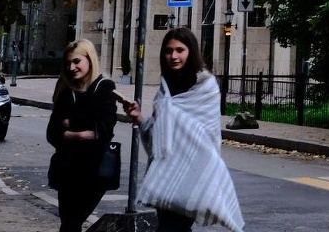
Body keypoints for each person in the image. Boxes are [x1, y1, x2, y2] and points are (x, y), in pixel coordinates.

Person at [122, 27, 244, 232]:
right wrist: (140, 118)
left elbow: (207, 136)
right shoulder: (166, 88)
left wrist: (172, 116)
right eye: (169, 51)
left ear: (191, 52)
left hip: (192, 177)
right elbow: (159, 136)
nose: (173, 56)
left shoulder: (205, 86)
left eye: (180, 50)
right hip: (166, 177)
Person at [46, 39, 118, 232]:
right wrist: (82, 134)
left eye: (77, 61)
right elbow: (52, 133)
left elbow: (103, 131)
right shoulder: (66, 90)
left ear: (89, 60)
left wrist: (70, 128)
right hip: (67, 170)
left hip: (94, 171)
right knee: (69, 224)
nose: (72, 67)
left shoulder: (105, 88)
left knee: (71, 223)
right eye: (68, 63)